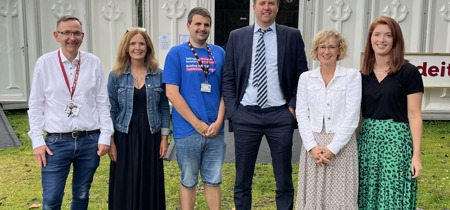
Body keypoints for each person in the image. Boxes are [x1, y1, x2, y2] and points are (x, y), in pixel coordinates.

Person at [222, 0, 308, 208]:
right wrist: (234, 111)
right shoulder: (237, 36)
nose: (266, 7)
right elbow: (228, 77)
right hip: (246, 115)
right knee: (242, 179)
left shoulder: (292, 35)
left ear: (278, 7)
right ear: (254, 7)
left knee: (284, 178)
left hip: (280, 115)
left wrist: (294, 105)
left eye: (271, 3)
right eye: (262, 3)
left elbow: (302, 75)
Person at [27, 15, 113, 210]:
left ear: (82, 36)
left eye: (76, 33)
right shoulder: (44, 63)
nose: (72, 37)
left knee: (82, 194)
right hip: (56, 143)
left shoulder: (93, 63)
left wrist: (105, 135)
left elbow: (102, 102)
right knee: (51, 199)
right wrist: (38, 141)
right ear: (57, 35)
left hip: (89, 140)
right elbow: (36, 105)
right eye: (66, 32)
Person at [163, 7, 226, 210]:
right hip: (187, 130)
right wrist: (196, 123)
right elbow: (172, 92)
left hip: (215, 131)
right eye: (198, 24)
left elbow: (227, 91)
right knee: (188, 180)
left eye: (206, 25)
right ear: (188, 25)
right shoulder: (176, 53)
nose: (202, 28)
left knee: (214, 180)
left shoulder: (219, 53)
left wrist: (219, 122)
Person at [358, 16, 423, 209]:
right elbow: (359, 115)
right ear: (370, 39)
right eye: (377, 34)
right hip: (368, 141)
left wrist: (416, 155)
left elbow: (415, 115)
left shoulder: (408, 72)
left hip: (397, 140)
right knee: (367, 192)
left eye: (388, 35)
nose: (381, 40)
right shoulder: (362, 74)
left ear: (396, 40)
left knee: (393, 193)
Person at [295, 30, 360, 209]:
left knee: (340, 200)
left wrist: (332, 148)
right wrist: (312, 147)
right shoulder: (306, 78)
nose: (327, 51)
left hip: (341, 144)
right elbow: (301, 113)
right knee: (313, 199)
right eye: (322, 46)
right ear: (316, 51)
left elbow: (352, 116)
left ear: (340, 50)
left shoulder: (352, 76)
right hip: (313, 145)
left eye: (332, 46)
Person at [107, 27, 170, 210]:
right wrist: (111, 141)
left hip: (151, 134)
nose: (137, 47)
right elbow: (110, 109)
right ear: (126, 48)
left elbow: (164, 107)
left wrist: (164, 137)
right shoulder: (116, 76)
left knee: (149, 178)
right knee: (124, 179)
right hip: (124, 134)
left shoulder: (159, 74)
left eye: (141, 43)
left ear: (148, 47)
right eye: (133, 43)